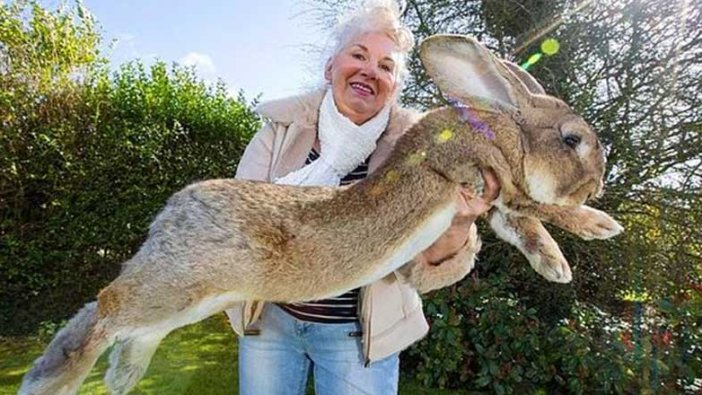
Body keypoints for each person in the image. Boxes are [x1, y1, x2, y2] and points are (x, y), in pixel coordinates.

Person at [226, 1, 499, 393]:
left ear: (393, 88)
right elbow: (238, 220)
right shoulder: (279, 132)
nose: (370, 71)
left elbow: (423, 267)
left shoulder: (417, 151)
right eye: (358, 55)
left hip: (358, 338)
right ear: (330, 67)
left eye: (386, 67)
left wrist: (459, 221)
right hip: (271, 323)